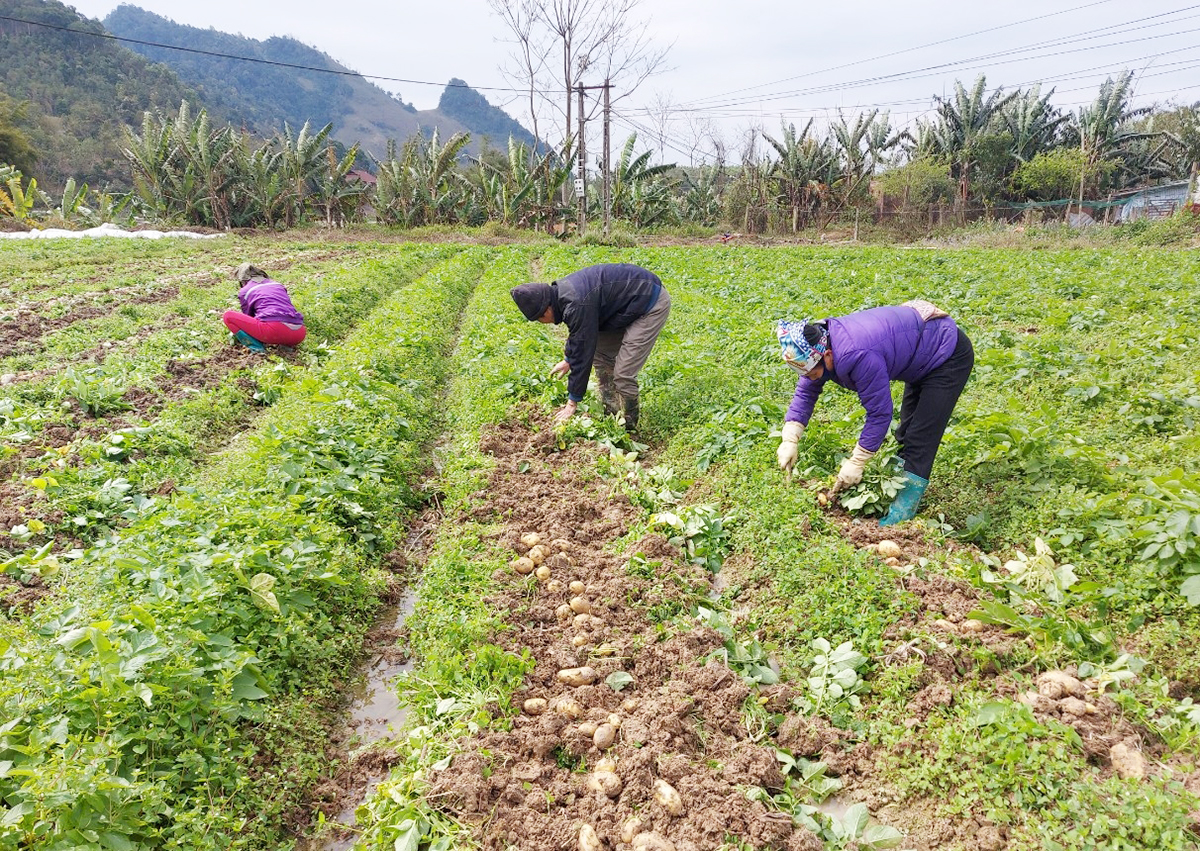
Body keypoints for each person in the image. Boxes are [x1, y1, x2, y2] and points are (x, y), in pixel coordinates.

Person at [775, 300, 973, 526]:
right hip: (920, 352)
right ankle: (894, 488)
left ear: (827, 356)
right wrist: (790, 437)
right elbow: (806, 391)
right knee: (905, 431)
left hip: (946, 354)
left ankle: (901, 514)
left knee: (920, 438)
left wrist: (857, 461)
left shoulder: (857, 354)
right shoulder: (818, 345)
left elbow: (880, 414)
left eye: (813, 373)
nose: (811, 378)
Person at [509, 263, 670, 430]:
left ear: (546, 310)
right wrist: (569, 359)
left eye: (539, 319)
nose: (542, 323)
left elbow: (583, 350)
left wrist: (572, 402)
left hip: (649, 302)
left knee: (623, 373)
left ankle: (630, 426)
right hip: (624, 305)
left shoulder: (577, 303)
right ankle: (610, 415)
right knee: (601, 357)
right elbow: (579, 335)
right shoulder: (564, 296)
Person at [222, 263, 306, 353]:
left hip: (274, 331)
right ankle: (285, 346)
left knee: (228, 316)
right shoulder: (278, 285)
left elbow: (248, 316)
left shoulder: (245, 290)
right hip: (299, 332)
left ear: (242, 281)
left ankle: (257, 348)